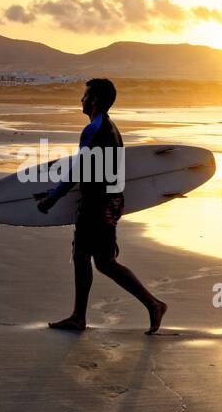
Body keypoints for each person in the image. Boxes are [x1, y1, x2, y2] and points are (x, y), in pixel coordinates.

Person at [39, 78, 166, 334]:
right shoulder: (111, 128)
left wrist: (53, 197)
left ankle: (80, 317)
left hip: (97, 203)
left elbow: (79, 168)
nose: (81, 100)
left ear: (95, 100)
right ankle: (152, 305)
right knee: (104, 261)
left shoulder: (93, 130)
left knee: (85, 257)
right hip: (110, 200)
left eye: (85, 96)